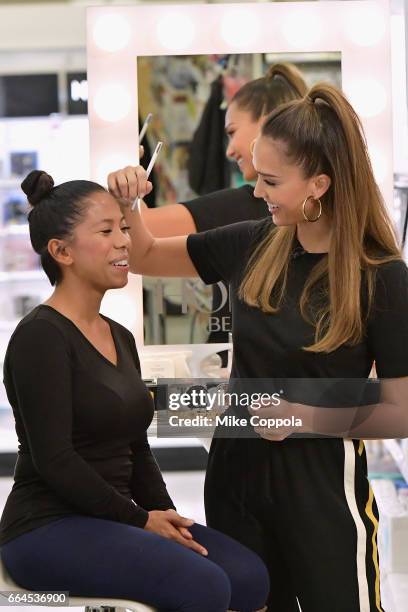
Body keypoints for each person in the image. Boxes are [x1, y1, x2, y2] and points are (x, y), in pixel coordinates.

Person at [114, 83, 408, 611]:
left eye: (271, 180)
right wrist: (129, 200)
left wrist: (304, 417)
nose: (256, 191)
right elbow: (145, 255)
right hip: (237, 473)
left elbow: (402, 410)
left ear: (319, 184)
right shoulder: (252, 242)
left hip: (321, 483)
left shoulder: (381, 278)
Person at [0, 171, 270, 612]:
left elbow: (136, 447)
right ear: (61, 251)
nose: (124, 241)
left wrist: (165, 515)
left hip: (112, 518)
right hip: (46, 527)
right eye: (106, 231)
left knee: (249, 578)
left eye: (123, 228)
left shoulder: (120, 336)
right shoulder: (40, 338)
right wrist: (140, 520)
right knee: (204, 587)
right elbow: (55, 460)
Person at [108, 63, 308, 349]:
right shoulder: (244, 229)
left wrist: (126, 194)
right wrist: (127, 197)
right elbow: (139, 250)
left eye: (232, 131)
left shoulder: (240, 211)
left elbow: (136, 242)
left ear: (268, 121)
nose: (227, 150)